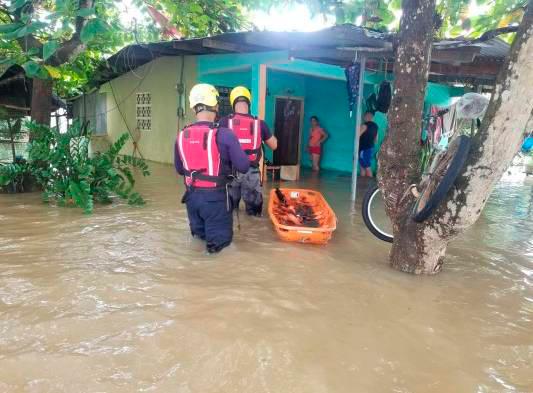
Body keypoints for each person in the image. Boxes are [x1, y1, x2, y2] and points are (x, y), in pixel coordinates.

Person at [175, 83, 250, 253]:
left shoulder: (181, 135)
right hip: (216, 201)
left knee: (198, 242)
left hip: (191, 199)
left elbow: (180, 169)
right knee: (219, 251)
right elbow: (244, 166)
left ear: (194, 108)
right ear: (216, 106)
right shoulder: (225, 134)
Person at [219, 86, 277, 216]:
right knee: (254, 215)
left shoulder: (224, 122)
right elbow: (274, 146)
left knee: (230, 212)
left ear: (233, 103)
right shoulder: (260, 124)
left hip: (230, 173)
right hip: (252, 172)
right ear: (248, 103)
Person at [358, 111, 378, 177]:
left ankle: (370, 184)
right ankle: (362, 183)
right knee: (362, 166)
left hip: (363, 149)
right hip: (370, 148)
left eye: (364, 116)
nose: (363, 118)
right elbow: (376, 140)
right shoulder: (376, 126)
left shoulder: (364, 125)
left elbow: (357, 136)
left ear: (367, 116)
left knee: (366, 167)